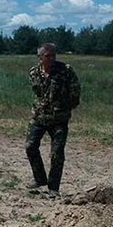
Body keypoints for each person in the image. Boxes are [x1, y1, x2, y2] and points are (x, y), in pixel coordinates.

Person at [25, 43, 81, 198]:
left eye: (53, 55)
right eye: (47, 56)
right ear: (40, 57)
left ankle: (53, 187)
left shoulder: (65, 71)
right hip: (39, 117)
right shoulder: (34, 72)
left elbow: (75, 92)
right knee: (30, 146)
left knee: (57, 153)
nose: (51, 58)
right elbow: (37, 93)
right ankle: (39, 179)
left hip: (58, 119)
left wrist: (65, 108)